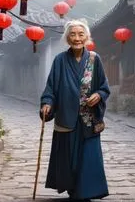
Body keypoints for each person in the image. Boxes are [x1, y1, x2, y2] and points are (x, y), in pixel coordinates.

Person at [40, 19, 110, 201]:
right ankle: (72, 188)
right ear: (67, 38)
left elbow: (104, 86)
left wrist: (99, 95)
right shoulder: (59, 61)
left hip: (89, 118)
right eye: (73, 34)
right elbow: (51, 88)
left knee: (88, 157)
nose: (77, 38)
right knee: (69, 158)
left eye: (81, 34)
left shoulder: (95, 59)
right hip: (66, 117)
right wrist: (47, 103)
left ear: (87, 37)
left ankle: (86, 191)